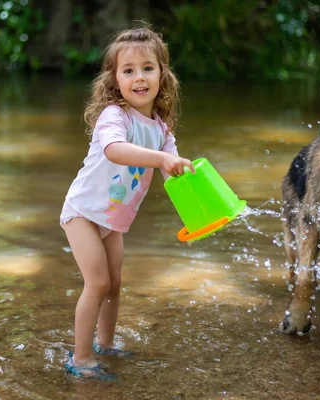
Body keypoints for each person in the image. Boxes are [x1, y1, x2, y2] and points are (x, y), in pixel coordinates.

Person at [60, 26, 195, 380]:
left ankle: (105, 344)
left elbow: (173, 174)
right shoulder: (114, 117)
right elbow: (114, 150)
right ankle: (82, 358)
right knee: (98, 282)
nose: (139, 77)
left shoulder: (161, 130)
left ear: (162, 75)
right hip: (83, 213)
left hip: (112, 219)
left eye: (148, 68)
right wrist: (161, 159)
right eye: (128, 70)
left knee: (116, 283)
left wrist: (197, 209)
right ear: (115, 79)